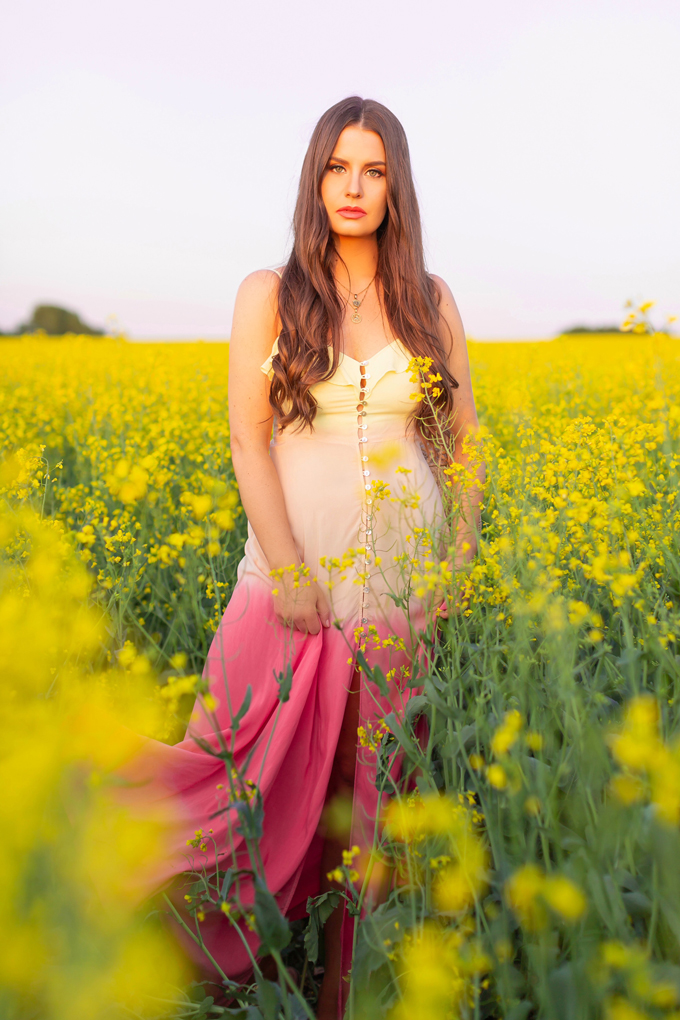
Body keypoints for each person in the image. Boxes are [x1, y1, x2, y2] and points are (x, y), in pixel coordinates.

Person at [121, 95, 483, 1020]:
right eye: (336, 168)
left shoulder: (430, 300)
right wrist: (285, 570)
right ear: (313, 179)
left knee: (370, 815)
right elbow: (249, 442)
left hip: (401, 594)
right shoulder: (269, 295)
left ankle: (342, 996)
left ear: (395, 186)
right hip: (287, 590)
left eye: (372, 170)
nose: (353, 188)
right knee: (234, 789)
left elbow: (461, 443)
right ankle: (176, 957)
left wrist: (460, 564)